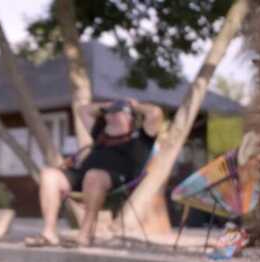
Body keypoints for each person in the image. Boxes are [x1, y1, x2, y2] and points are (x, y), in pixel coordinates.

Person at [25, 98, 164, 248]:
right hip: (82, 177)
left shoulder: (141, 137)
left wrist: (134, 106)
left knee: (94, 175)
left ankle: (85, 235)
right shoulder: (100, 133)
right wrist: (108, 106)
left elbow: (155, 113)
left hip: (117, 181)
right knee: (49, 174)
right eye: (108, 114)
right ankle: (49, 233)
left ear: (130, 117)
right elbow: (82, 110)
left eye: (117, 113)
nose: (110, 116)